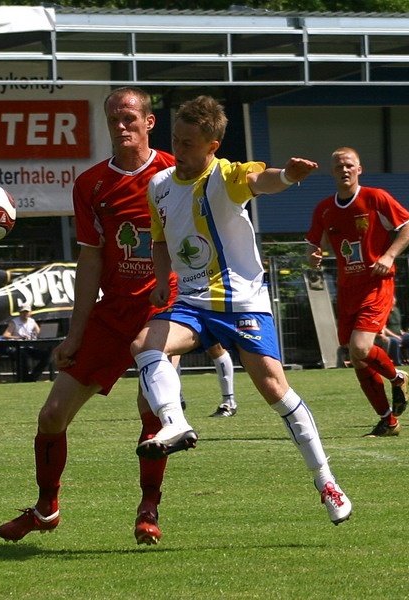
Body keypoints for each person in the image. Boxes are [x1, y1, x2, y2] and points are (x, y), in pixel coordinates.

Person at [130, 95, 352, 525]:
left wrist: (287, 175)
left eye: (190, 143)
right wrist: (160, 281)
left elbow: (260, 180)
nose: (179, 149)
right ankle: (174, 423)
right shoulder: (157, 186)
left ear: (212, 146)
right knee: (144, 343)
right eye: (176, 139)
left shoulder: (224, 174)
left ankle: (325, 480)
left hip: (241, 302)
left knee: (273, 388)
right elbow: (159, 240)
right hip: (193, 301)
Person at [0, 87, 179, 546]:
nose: (121, 125)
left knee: (152, 408)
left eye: (129, 117)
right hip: (112, 312)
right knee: (52, 415)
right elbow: (91, 261)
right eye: (113, 118)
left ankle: (148, 507)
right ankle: (46, 509)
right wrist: (74, 335)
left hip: (164, 308)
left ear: (149, 122)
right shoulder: (91, 183)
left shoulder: (177, 173)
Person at [306, 147, 409, 438]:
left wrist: (389, 255)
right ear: (332, 172)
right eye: (339, 166)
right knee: (355, 357)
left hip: (376, 283)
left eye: (349, 165)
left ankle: (397, 377)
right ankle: (388, 421)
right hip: (347, 288)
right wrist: (314, 255)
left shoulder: (375, 197)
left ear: (359, 169)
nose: (344, 170)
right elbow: (313, 245)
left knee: (360, 348)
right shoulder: (324, 209)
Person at [0, 302, 53, 382]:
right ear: (19, 313)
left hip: (30, 348)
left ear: (30, 313)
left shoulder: (32, 321)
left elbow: (39, 334)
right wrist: (19, 337)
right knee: (24, 357)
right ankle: (25, 379)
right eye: (23, 312)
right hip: (17, 348)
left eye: (27, 312)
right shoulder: (14, 322)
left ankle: (33, 377)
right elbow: (5, 335)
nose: (25, 314)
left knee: (48, 355)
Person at [376, 295, 409, 366]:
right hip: (389, 336)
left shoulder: (396, 310)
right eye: (391, 302)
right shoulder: (384, 312)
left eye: (394, 303)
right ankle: (398, 362)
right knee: (395, 341)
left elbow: (398, 324)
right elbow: (384, 328)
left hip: (399, 334)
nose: (393, 304)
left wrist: (402, 331)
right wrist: (395, 336)